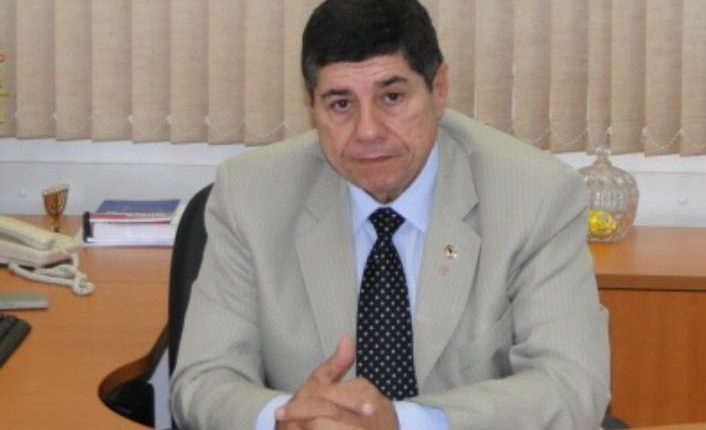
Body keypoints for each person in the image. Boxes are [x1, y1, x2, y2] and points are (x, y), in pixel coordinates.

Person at [170, 0, 611, 429]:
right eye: (341, 104)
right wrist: (289, 419)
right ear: (313, 107)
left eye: (392, 97)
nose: (367, 131)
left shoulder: (534, 196)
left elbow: (571, 386)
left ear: (438, 89)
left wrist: (404, 423)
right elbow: (202, 380)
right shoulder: (251, 195)